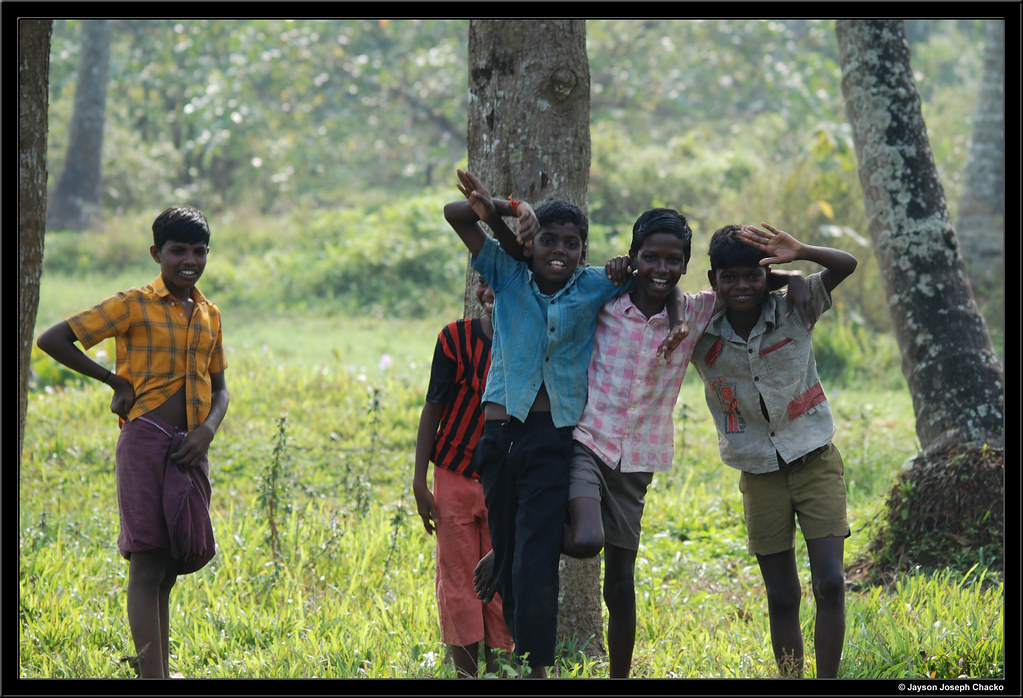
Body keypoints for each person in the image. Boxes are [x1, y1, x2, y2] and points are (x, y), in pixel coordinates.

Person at [443, 170, 683, 678]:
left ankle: (538, 670)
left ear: (583, 250)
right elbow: (455, 215)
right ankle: (510, 584)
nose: (559, 251)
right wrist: (511, 209)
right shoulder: (506, 273)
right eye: (548, 240)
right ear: (529, 245)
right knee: (511, 563)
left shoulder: (595, 284)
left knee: (536, 571)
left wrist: (636, 277)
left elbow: (655, 282)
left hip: (551, 440)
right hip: (498, 439)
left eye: (571, 244)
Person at [561, 209, 812, 678]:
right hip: (587, 439)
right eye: (649, 257)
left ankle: (619, 675)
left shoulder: (698, 310)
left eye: (673, 260)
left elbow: (742, 283)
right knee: (586, 538)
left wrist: (792, 275)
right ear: (633, 258)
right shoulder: (607, 300)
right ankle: (524, 529)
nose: (661, 268)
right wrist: (616, 269)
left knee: (620, 582)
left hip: (638, 459)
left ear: (687, 264)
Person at [35, 206, 229, 679]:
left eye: (199, 251)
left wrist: (205, 432)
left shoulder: (208, 313)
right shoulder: (132, 304)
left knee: (171, 564)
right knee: (147, 561)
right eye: (178, 250)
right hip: (145, 442)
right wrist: (113, 380)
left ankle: (157, 670)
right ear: (156, 253)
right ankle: (152, 678)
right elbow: (54, 338)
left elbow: (220, 389)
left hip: (191, 448)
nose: (190, 260)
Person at [691, 222, 857, 679]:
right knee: (782, 595)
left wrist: (799, 258)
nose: (742, 286)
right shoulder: (699, 331)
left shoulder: (796, 309)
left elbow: (847, 264)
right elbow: (660, 298)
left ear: (767, 275)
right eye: (731, 277)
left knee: (830, 582)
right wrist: (787, 276)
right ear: (714, 281)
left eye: (753, 275)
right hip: (759, 473)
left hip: (815, 459)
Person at [412, 275, 515, 677]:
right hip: (453, 475)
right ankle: (466, 674)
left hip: (504, 482)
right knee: (458, 583)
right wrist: (420, 480)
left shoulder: (530, 342)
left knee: (501, 583)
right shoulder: (455, 339)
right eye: (489, 284)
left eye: (508, 285)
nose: (494, 294)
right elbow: (432, 408)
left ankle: (502, 670)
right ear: (478, 290)